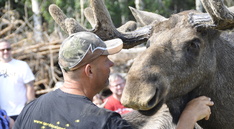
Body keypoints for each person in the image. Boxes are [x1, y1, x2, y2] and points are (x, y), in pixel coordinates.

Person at [13, 32, 214, 129]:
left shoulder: (30, 111)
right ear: (89, 70)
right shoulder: (104, 123)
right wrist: (188, 118)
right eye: (105, 59)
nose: (111, 64)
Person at [0, 39, 35, 121]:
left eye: (8, 49)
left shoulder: (22, 65)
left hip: (21, 112)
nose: (6, 51)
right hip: (2, 113)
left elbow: (30, 86)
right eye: (2, 49)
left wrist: (30, 108)